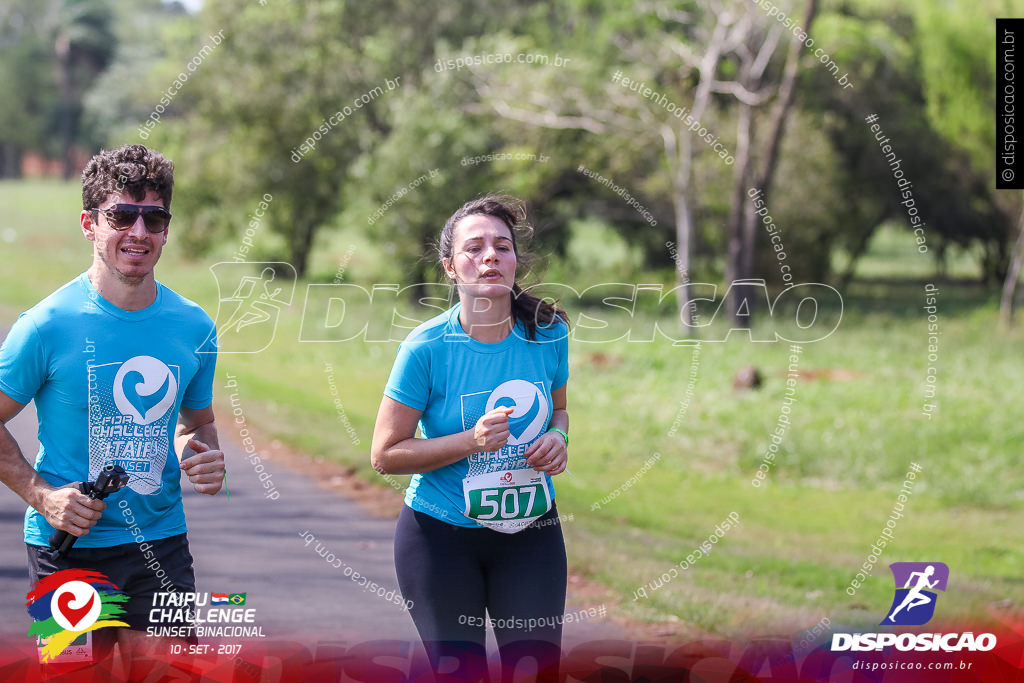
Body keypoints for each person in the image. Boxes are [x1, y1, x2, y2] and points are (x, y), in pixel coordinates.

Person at [0, 144, 224, 672]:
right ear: (89, 223)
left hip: (162, 546)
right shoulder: (47, 325)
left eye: (154, 218)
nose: (139, 233)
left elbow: (200, 425)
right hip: (68, 548)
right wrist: (42, 496)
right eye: (122, 215)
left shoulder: (194, 328)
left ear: (167, 228)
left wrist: (207, 459)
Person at [371, 195, 571, 681]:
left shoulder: (549, 334)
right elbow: (385, 454)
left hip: (532, 533)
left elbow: (560, 411)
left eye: (502, 247)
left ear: (515, 261)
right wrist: (470, 441)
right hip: (440, 539)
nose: (490, 257)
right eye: (475, 247)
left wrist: (560, 439)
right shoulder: (425, 348)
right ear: (450, 266)